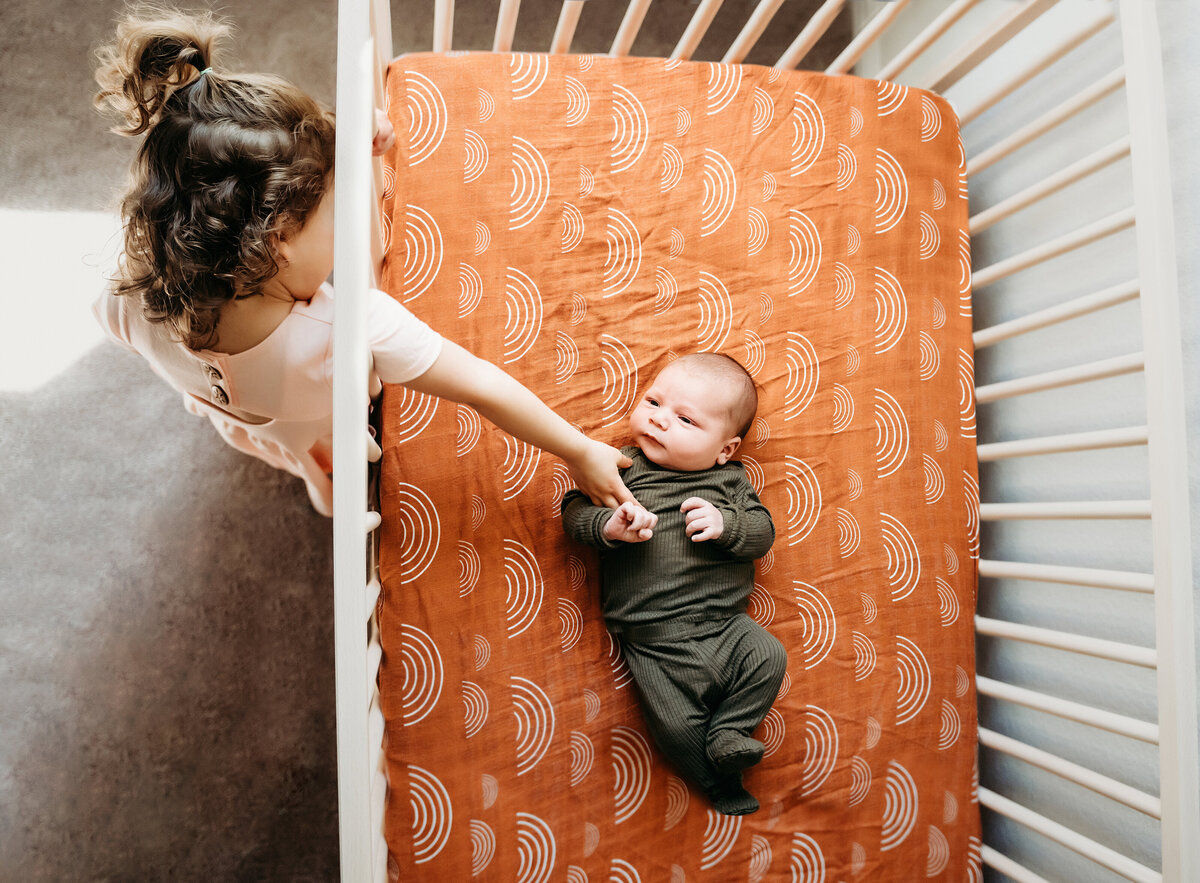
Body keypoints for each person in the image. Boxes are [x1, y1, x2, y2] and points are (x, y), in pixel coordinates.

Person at [90, 8, 633, 516]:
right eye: (336, 202)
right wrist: (580, 450)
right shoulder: (350, 330)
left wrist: (339, 147)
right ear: (278, 239)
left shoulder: (133, 291)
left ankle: (315, 480)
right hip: (319, 421)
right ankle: (327, 485)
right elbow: (482, 385)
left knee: (291, 447)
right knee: (325, 448)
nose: (351, 208)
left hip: (236, 416)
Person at [561, 353, 786, 815]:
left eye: (684, 419)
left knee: (769, 657)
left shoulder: (729, 482)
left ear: (725, 450)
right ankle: (718, 784)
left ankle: (730, 732)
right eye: (653, 401)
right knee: (675, 726)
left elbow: (762, 532)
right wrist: (608, 527)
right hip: (652, 638)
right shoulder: (624, 468)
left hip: (727, 627)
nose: (659, 420)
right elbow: (574, 512)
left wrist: (727, 524)